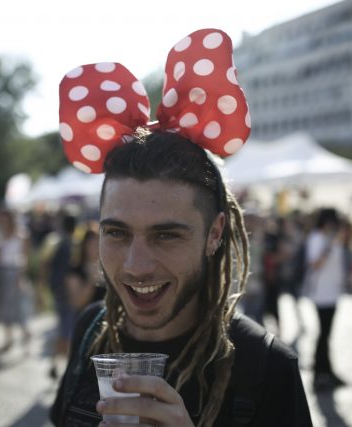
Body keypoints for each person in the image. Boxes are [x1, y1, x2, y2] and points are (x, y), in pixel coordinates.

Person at [51, 28, 312, 426]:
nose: (137, 265)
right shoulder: (91, 331)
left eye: (167, 235)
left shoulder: (266, 367)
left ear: (214, 233)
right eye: (117, 233)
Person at [304, 207, 347, 391]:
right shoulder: (316, 238)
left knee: (327, 334)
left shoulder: (334, 239)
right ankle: (318, 373)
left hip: (333, 292)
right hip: (321, 294)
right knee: (323, 333)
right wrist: (328, 246)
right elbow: (315, 263)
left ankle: (327, 370)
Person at [39, 212, 78, 378]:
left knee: (64, 329)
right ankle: (68, 367)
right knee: (66, 330)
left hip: (58, 290)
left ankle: (56, 364)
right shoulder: (71, 244)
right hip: (66, 292)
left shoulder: (55, 241)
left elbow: (45, 265)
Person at [0, 209, 32, 354]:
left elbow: (25, 258)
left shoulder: (21, 235)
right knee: (5, 307)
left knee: (18, 307)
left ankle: (26, 335)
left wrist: (21, 276)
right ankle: (8, 339)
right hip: (2, 272)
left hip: (15, 273)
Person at [65, 221, 106, 314]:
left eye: (98, 243)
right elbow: (78, 303)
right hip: (86, 320)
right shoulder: (75, 270)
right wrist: (91, 281)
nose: (95, 248)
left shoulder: (107, 267)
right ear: (83, 246)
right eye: (91, 244)